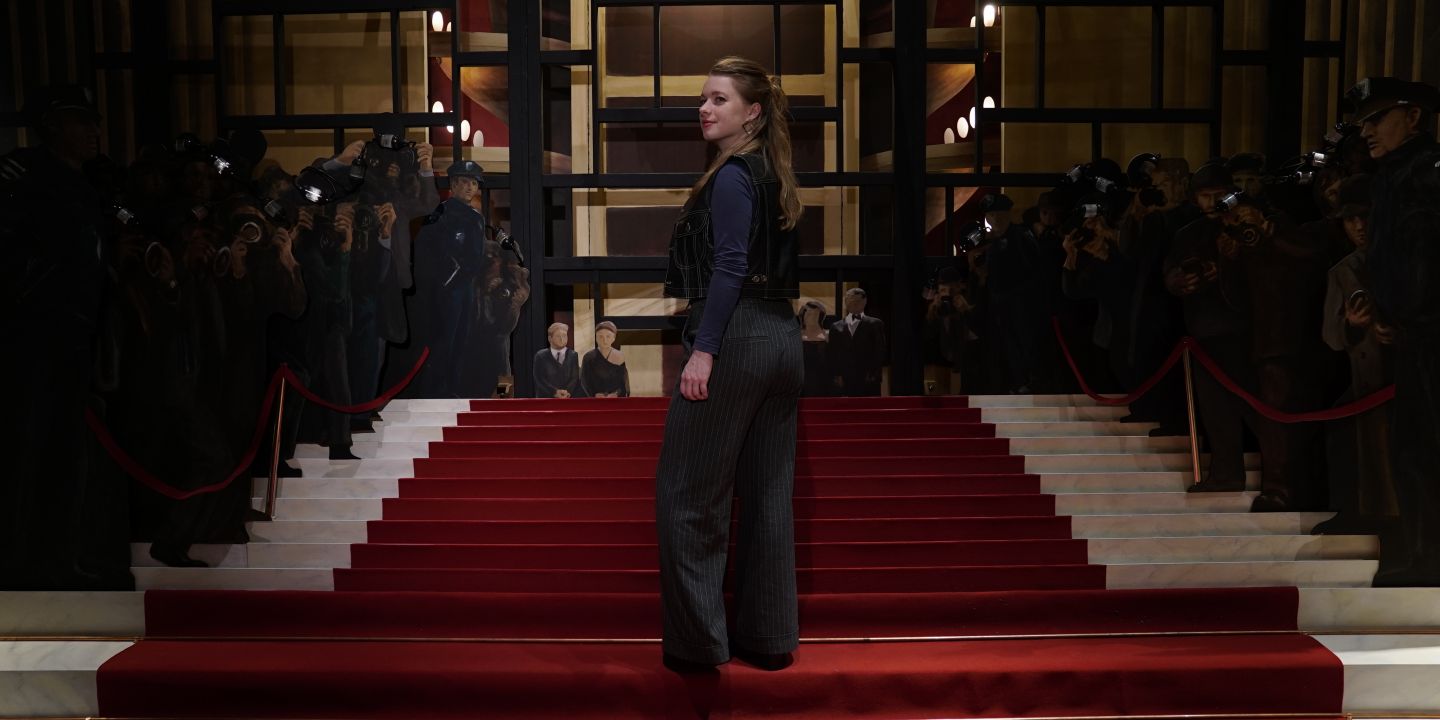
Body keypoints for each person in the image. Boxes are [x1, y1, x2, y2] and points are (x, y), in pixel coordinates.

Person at [655, 56, 803, 673]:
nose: (705, 108)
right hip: (782, 339)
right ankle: (768, 640)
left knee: (687, 496)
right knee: (768, 496)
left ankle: (698, 648)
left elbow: (731, 266)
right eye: (703, 97)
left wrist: (705, 349)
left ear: (753, 112)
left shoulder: (734, 176)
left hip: (738, 337)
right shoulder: (775, 174)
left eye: (719, 99)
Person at [1347, 77, 1440, 586]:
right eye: (1364, 121)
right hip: (1411, 335)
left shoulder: (1427, 173)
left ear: (1414, 116)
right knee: (1413, 450)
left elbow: (1424, 259)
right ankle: (1423, 554)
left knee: (1425, 448)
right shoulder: (1393, 175)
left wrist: (1408, 315)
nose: (1366, 131)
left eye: (1377, 119)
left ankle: (1428, 558)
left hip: (1428, 333)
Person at [1165, 163, 1258, 494]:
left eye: (1217, 195)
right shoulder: (1187, 234)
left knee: (1256, 407)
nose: (1211, 203)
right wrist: (1180, 280)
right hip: (1204, 332)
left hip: (1245, 330)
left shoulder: (1247, 223)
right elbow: (1171, 272)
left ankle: (1280, 478)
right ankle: (1225, 472)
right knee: (1216, 410)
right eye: (1205, 196)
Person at [1316, 174, 1396, 536]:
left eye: (1365, 216)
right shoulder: (1342, 271)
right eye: (1351, 219)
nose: (1359, 226)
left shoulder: (1406, 260)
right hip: (1366, 379)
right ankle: (1353, 510)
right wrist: (1352, 325)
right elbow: (1331, 336)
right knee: (1346, 434)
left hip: (1406, 374)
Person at [414, 159, 489, 397]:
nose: (469, 187)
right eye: (464, 182)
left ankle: (452, 390)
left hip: (466, 287)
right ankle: (435, 392)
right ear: (454, 184)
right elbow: (425, 250)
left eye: (474, 183)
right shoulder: (440, 213)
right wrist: (441, 280)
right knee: (442, 340)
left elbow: (476, 256)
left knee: (461, 341)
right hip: (444, 288)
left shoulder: (476, 218)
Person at [828, 287, 887, 396]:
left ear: (865, 302)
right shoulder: (836, 326)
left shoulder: (875, 324)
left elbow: (880, 350)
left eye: (857, 301)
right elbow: (833, 353)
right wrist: (837, 375)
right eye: (850, 300)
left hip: (868, 377)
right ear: (845, 302)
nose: (854, 303)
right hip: (845, 378)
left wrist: (873, 373)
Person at [532, 322, 584, 398]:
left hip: (567, 398)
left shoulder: (573, 355)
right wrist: (555, 392)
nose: (562, 339)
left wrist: (566, 392)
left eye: (564, 336)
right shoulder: (540, 356)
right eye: (558, 336)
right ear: (550, 338)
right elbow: (539, 379)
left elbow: (574, 378)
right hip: (546, 399)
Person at [581, 320, 629, 398]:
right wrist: (593, 395)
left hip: (614, 399)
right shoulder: (588, 357)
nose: (604, 340)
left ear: (614, 338)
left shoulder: (620, 356)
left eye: (608, 336)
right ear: (596, 338)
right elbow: (584, 382)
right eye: (600, 336)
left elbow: (623, 383)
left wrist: (616, 394)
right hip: (594, 400)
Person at [797, 299, 835, 396]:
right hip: (802, 379)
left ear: (821, 316)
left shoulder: (828, 334)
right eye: (809, 314)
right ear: (803, 316)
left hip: (824, 379)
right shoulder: (796, 335)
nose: (811, 317)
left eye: (815, 315)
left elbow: (835, 358)